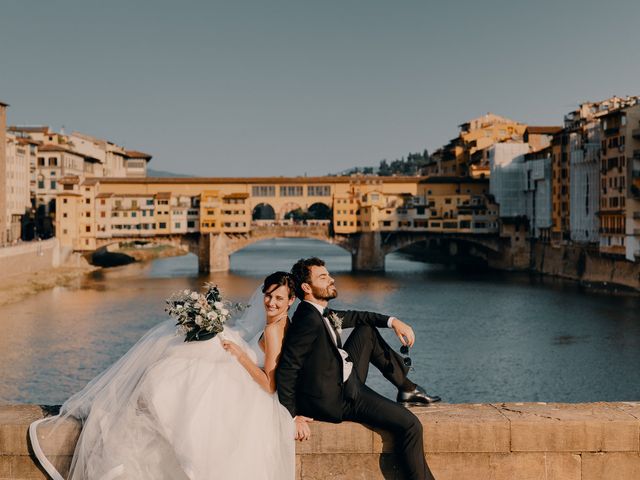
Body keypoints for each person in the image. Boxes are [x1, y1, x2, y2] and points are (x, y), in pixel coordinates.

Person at [30, 272, 297, 480]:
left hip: (252, 390)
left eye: (278, 298)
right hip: (247, 381)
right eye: (268, 295)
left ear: (290, 301)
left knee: (177, 374)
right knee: (188, 364)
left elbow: (269, 383)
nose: (271, 302)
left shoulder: (274, 331)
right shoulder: (278, 324)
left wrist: (240, 355)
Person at [276, 257, 440, 480]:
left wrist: (393, 321)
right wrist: (292, 416)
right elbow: (288, 368)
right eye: (323, 277)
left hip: (343, 375)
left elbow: (357, 316)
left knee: (366, 330)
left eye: (328, 275)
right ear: (306, 287)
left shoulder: (318, 312)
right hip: (343, 397)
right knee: (411, 425)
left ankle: (406, 387)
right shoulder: (308, 320)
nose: (331, 279)